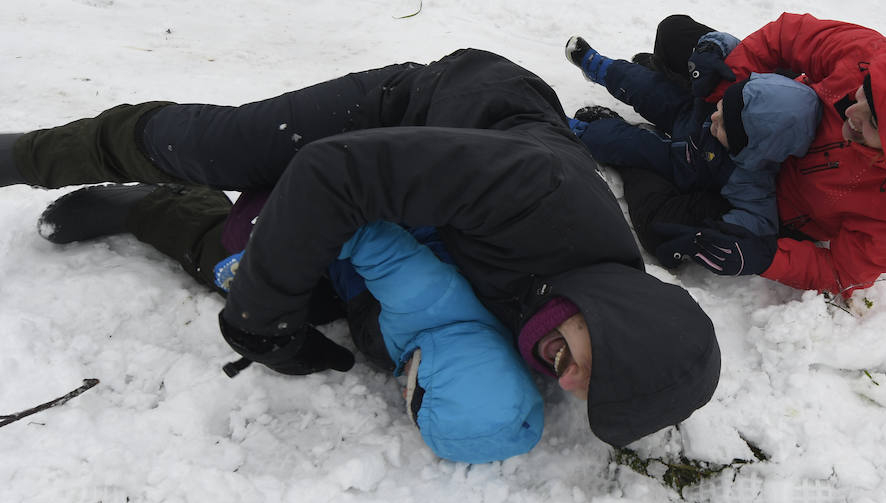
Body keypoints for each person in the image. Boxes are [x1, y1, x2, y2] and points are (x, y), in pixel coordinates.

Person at [0, 46, 721, 449]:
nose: (566, 385)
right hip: (417, 111)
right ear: (611, 314)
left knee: (278, 273)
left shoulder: (563, 315)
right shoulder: (543, 194)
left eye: (585, 392)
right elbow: (334, 172)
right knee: (216, 152)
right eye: (587, 369)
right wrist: (258, 323)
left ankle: (149, 213)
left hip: (426, 209)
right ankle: (30, 156)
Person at [39, 181, 542, 462]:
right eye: (412, 396)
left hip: (355, 284)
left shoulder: (453, 347)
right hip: (351, 221)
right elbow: (368, 236)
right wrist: (276, 256)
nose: (401, 393)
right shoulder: (429, 295)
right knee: (236, 275)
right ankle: (153, 207)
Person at [568, 13, 886, 299]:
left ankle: (636, 143)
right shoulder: (870, 54)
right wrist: (726, 79)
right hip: (759, 112)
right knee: (676, 32)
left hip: (759, 193)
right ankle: (678, 82)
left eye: (874, 125)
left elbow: (846, 271)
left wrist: (765, 256)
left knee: (669, 233)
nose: (853, 113)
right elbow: (786, 35)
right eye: (865, 96)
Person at [564, 33, 823, 272]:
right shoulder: (730, 101)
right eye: (723, 106)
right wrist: (712, 47)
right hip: (688, 113)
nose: (717, 118)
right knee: (647, 86)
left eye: (724, 126)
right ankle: (600, 67)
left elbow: (760, 220)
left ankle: (573, 129)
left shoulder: (750, 178)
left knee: (624, 144)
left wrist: (724, 232)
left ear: (751, 149)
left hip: (679, 161)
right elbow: (734, 47)